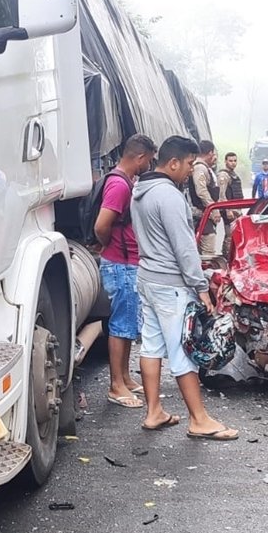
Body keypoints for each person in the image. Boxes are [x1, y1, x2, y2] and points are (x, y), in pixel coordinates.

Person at [131, 135, 238, 440]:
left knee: (151, 345)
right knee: (183, 351)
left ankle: (153, 412)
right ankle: (199, 419)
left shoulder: (139, 190)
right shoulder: (169, 196)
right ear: (174, 162)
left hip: (148, 278)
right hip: (170, 284)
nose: (191, 170)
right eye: (190, 164)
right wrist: (201, 286)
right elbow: (184, 248)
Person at [94, 134, 158, 408]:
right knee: (120, 324)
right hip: (121, 264)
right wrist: (112, 248)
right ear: (140, 157)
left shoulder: (123, 181)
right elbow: (101, 225)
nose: (150, 166)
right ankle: (116, 385)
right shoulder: (120, 186)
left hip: (127, 262)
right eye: (150, 160)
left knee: (128, 321)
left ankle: (125, 377)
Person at [189, 139, 220, 258]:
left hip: (205, 214)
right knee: (208, 254)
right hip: (203, 214)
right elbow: (201, 191)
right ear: (210, 153)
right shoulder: (200, 168)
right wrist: (214, 209)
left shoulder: (205, 168)